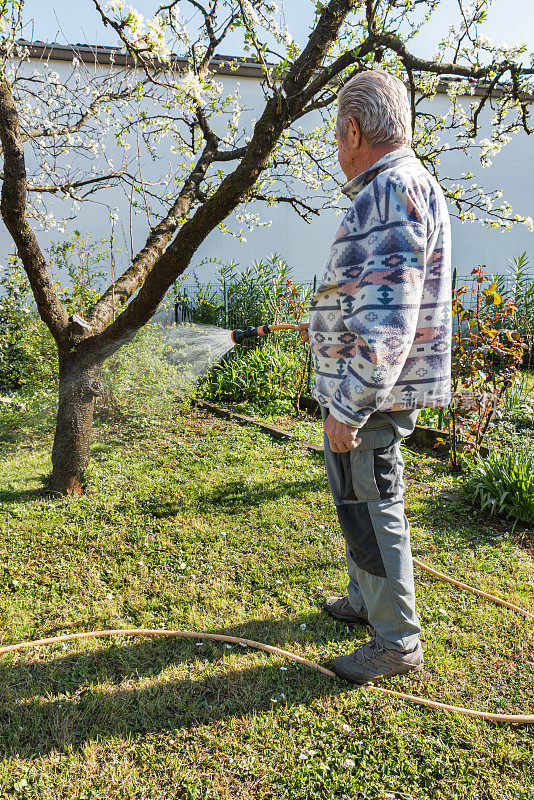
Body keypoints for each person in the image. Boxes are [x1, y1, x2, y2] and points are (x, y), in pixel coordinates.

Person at [298, 69, 451, 684]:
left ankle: (396, 643)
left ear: (353, 130)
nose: (338, 147)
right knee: (356, 500)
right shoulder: (406, 185)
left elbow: (387, 324)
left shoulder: (389, 191)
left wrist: (350, 406)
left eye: (337, 133)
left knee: (374, 501)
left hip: (369, 399)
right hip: (364, 394)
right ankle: (370, 599)